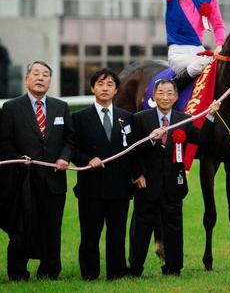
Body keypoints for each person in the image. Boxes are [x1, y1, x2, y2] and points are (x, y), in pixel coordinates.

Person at [128, 79, 220, 276]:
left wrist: (211, 117)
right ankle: (135, 268)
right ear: (153, 95)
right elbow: (133, 150)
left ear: (176, 97)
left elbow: (202, 140)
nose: (165, 97)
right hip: (147, 183)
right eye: (161, 92)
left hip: (174, 183)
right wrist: (138, 174)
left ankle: (173, 267)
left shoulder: (183, 119)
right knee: (142, 226)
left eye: (170, 93)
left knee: (174, 226)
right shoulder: (140, 119)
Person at [0, 61, 74, 281]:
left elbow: (70, 140)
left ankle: (50, 271)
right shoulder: (11, 107)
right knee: (21, 226)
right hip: (22, 180)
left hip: (53, 180)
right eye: (36, 73)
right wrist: (18, 158)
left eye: (45, 75)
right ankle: (17, 272)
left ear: (50, 81)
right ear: (27, 79)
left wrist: (64, 157)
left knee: (52, 227)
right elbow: (3, 142)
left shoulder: (61, 107)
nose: (40, 78)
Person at [71, 68, 134, 280]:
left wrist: (138, 174)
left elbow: (134, 151)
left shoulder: (127, 118)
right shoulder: (79, 118)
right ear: (92, 88)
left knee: (117, 233)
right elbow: (72, 149)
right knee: (90, 234)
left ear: (117, 89)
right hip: (91, 187)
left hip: (120, 187)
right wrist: (87, 159)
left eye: (109, 85)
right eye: (100, 84)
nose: (105, 88)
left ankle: (116, 272)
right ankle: (89, 273)